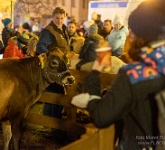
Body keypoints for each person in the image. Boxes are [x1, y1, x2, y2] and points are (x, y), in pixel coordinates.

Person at [71, 0, 165, 150]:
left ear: (141, 34)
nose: (129, 34)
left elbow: (101, 117)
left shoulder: (133, 74)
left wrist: (95, 74)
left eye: (132, 30)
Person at [36, 7, 70, 119]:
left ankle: (49, 121)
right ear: (52, 17)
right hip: (53, 69)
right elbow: (40, 46)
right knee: (57, 93)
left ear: (64, 18)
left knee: (54, 93)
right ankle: (53, 121)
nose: (59, 20)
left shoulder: (63, 29)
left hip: (60, 68)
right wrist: (52, 59)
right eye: (57, 18)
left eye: (61, 18)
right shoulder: (49, 31)